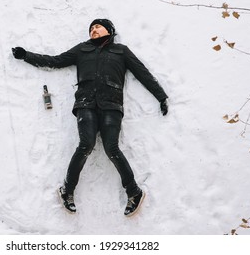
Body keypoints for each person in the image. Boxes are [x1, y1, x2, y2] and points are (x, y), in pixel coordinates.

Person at [12, 19, 168, 217]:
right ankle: (67, 191)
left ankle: (134, 192)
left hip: (111, 106)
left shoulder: (121, 51)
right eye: (91, 28)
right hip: (85, 104)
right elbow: (55, 61)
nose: (93, 29)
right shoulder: (82, 50)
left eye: (97, 26)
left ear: (109, 30)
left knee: (112, 148)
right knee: (86, 145)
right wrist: (26, 56)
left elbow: (142, 73)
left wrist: (161, 96)